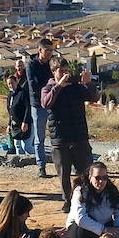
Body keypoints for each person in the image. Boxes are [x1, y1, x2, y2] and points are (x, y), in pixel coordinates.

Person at [42, 56, 98, 210]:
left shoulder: (75, 87)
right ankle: (67, 200)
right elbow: (46, 103)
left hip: (79, 135)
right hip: (60, 138)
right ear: (54, 72)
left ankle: (86, 198)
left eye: (67, 71)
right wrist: (58, 86)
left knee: (85, 170)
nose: (66, 74)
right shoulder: (47, 88)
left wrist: (88, 84)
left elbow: (94, 97)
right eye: (62, 71)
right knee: (63, 173)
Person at [64, 161, 119, 238]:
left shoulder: (112, 191)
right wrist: (104, 230)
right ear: (90, 177)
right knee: (82, 230)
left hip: (103, 225)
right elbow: (81, 219)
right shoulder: (80, 191)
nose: (101, 181)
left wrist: (118, 228)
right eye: (97, 178)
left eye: (104, 178)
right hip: (80, 228)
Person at [25, 37, 55, 177]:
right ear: (40, 50)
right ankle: (41, 166)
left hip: (53, 102)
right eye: (47, 50)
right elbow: (34, 85)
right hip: (38, 104)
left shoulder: (52, 63)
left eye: (51, 50)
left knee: (58, 135)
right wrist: (50, 85)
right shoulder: (31, 65)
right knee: (40, 137)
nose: (49, 53)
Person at [4, 59, 32, 155]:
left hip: (25, 123)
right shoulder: (10, 95)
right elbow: (10, 111)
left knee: (27, 147)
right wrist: (9, 124)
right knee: (18, 146)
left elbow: (28, 108)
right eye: (9, 84)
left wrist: (25, 122)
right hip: (15, 125)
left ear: (16, 82)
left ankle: (42, 159)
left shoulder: (23, 93)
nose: (11, 85)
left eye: (12, 83)